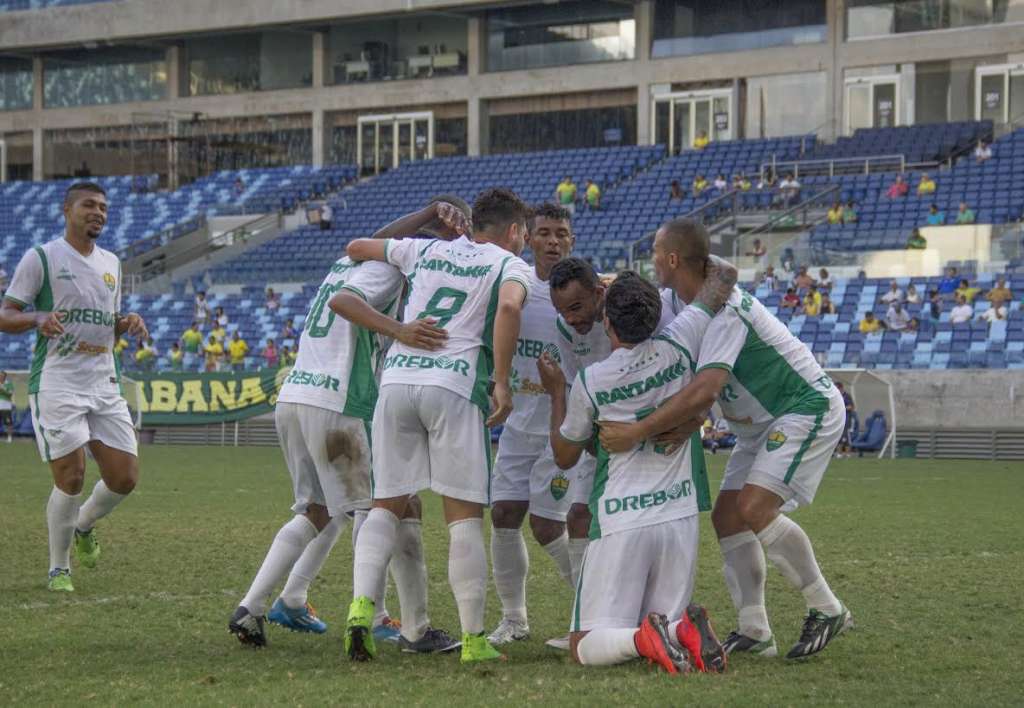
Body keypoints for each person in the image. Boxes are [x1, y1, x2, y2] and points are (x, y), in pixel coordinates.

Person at [597, 228, 852, 661]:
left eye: (656, 252)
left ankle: (826, 607)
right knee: (728, 518)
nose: (651, 259)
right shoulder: (679, 302)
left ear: (673, 259)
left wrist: (638, 431)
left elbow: (706, 388)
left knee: (754, 508)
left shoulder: (727, 311)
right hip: (759, 425)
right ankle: (755, 630)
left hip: (802, 406)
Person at [230, 200, 470, 652]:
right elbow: (345, 303)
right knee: (394, 503)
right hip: (338, 403)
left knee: (317, 511)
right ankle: (401, 625)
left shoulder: (352, 261)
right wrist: (399, 331)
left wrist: (423, 215)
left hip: (296, 396)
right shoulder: (389, 271)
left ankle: (252, 606)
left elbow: (373, 245)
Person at [341, 187, 533, 664]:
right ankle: (474, 639)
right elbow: (509, 308)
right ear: (514, 231)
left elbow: (357, 247)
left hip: (398, 380)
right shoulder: (510, 264)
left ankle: (361, 610)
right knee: (463, 516)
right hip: (454, 384)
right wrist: (502, 381)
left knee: (385, 505)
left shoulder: (426, 249)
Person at [538, 271, 726, 675]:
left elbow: (565, 456)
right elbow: (722, 278)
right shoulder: (680, 342)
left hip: (621, 519)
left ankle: (648, 638)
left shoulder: (593, 380)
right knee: (658, 620)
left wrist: (556, 392)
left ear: (607, 321)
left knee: (584, 645)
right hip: (679, 515)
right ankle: (680, 631)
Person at [0, 182, 147, 592]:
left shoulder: (112, 263)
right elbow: (6, 314)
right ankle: (59, 567)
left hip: (103, 380)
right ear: (67, 210)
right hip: (58, 381)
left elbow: (107, 324)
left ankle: (84, 523)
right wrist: (37, 318)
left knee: (125, 478)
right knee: (72, 475)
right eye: (89, 205)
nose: (98, 212)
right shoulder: (42, 257)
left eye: (103, 207)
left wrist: (126, 323)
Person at [483, 203, 582, 647]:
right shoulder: (515, 283)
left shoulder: (585, 290)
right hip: (519, 423)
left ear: (572, 241)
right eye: (543, 232)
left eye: (561, 233)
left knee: (547, 525)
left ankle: (594, 613)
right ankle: (514, 620)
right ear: (527, 237)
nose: (553, 241)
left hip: (562, 426)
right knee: (503, 515)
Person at [835, 382, 854, 458]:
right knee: (839, 437)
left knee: (845, 437)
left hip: (846, 419)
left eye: (837, 388)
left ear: (841, 388)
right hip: (838, 420)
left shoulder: (847, 396)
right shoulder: (836, 396)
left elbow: (851, 407)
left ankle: (847, 454)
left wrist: (842, 408)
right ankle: (839, 454)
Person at [0, 370, 14, 443]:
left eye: (2, 376)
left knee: (8, 423)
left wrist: (3, 389)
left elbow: (10, 394)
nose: (0, 377)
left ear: (5, 377)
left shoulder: (8, 384)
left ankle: (9, 437)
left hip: (6, 407)